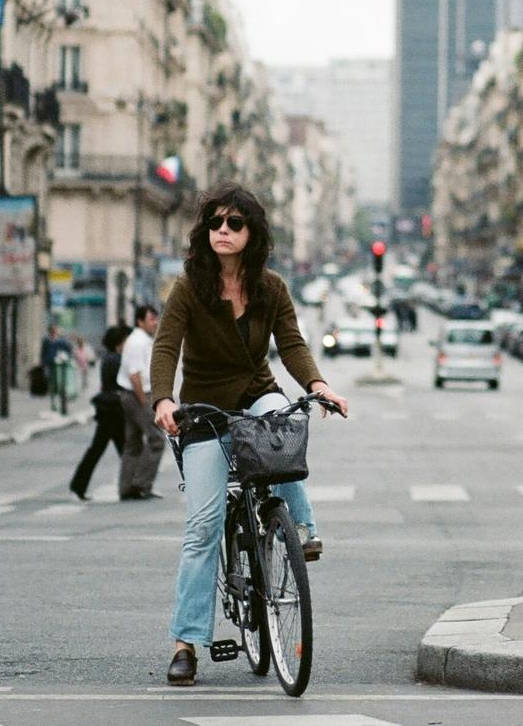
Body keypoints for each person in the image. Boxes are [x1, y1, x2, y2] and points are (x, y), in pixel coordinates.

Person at [149, 182, 349, 687]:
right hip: (204, 408)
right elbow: (165, 347)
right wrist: (164, 400)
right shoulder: (190, 288)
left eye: (234, 224)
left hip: (256, 391)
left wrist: (318, 385)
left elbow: (293, 344)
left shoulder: (272, 288)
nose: (222, 231)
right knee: (203, 526)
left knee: (283, 422)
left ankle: (301, 529)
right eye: (215, 223)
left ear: (252, 232)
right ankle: (186, 642)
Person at [70, 324, 134, 501]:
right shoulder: (116, 360)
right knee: (124, 449)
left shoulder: (109, 358)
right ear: (119, 343)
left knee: (100, 449)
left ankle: (78, 485)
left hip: (107, 409)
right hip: (113, 409)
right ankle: (131, 485)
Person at [117, 307, 166, 500]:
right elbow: (134, 374)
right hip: (137, 395)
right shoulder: (137, 342)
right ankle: (141, 484)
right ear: (140, 322)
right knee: (157, 440)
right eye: (151, 319)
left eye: (156, 319)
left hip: (132, 395)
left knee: (133, 443)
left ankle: (127, 487)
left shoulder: (142, 340)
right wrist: (144, 402)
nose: (155, 322)